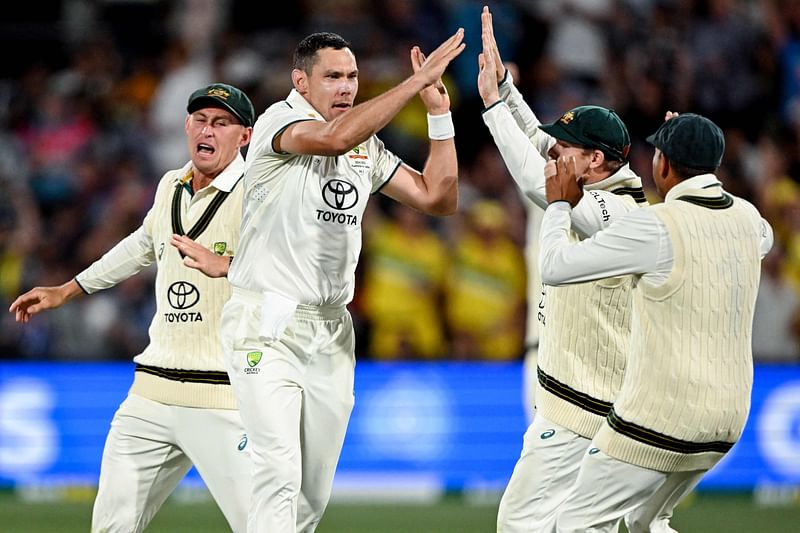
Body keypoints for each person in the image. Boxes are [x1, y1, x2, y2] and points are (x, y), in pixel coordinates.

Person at [209, 30, 464, 532]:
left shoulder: (365, 146)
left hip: (331, 330)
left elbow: (439, 198)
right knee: (278, 474)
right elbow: (334, 137)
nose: (346, 86)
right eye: (333, 77)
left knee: (310, 496)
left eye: (352, 76)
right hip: (267, 322)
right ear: (300, 81)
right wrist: (414, 82)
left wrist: (438, 113)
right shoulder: (277, 123)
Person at [9, 83, 255, 533]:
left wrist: (231, 265)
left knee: (265, 527)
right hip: (150, 395)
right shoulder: (170, 185)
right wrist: (68, 289)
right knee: (110, 526)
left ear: (245, 137)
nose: (208, 129)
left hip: (224, 396)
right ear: (186, 126)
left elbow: (289, 269)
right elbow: (141, 246)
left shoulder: (257, 195)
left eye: (222, 123)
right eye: (200, 120)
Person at [476, 7, 670, 532]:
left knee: (521, 523)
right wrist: (505, 88)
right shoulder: (597, 182)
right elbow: (540, 150)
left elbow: (535, 181)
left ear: (596, 163)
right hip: (580, 394)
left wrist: (493, 107)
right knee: (588, 525)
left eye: (566, 151)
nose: (554, 156)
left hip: (583, 406)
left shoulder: (619, 211)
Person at [540, 113, 773, 532]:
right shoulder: (749, 219)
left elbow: (555, 268)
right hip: (726, 424)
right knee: (648, 521)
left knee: (575, 525)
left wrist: (558, 205)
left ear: (663, 165)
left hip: (658, 421)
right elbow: (762, 236)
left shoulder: (655, 226)